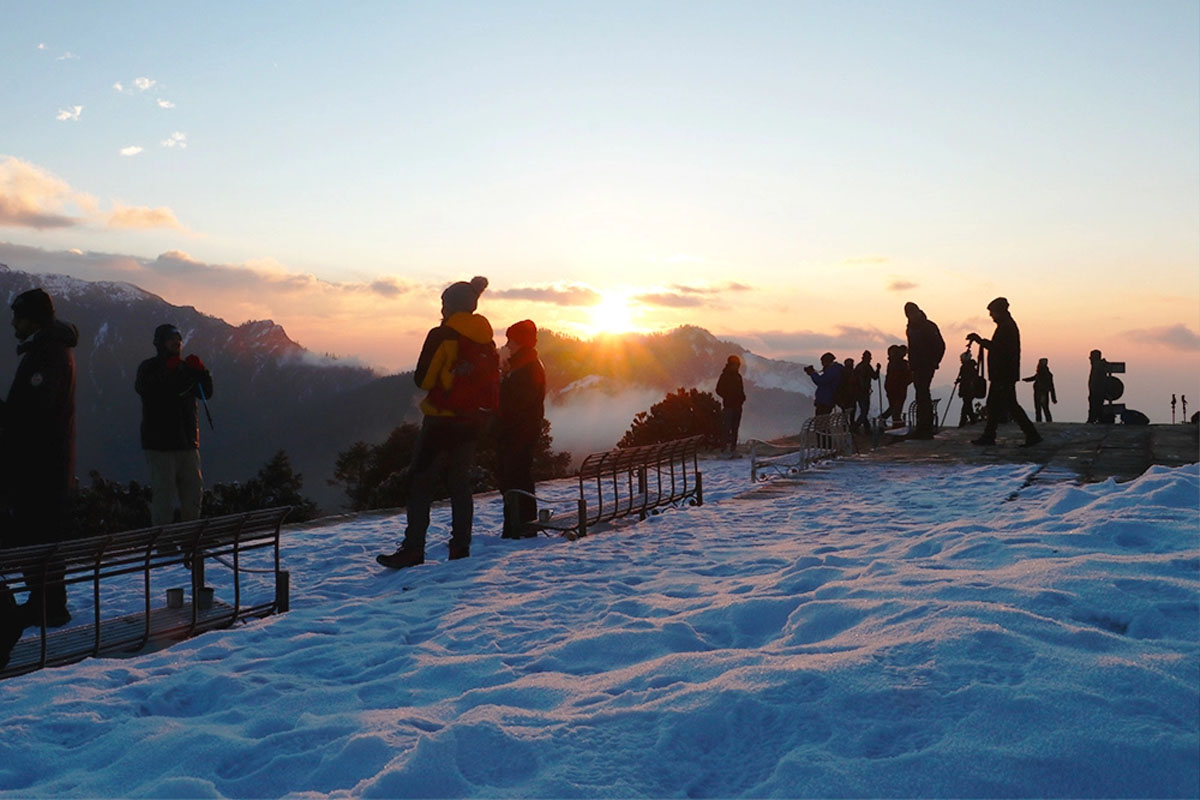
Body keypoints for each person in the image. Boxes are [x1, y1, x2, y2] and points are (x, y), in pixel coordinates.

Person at [378, 276, 497, 569]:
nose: (441, 309)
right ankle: (460, 548)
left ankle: (413, 549)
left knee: (420, 482)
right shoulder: (486, 338)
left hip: (441, 421)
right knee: (460, 482)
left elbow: (424, 379)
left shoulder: (441, 335)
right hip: (472, 420)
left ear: (450, 305)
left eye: (443, 303)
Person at [0, 288, 78, 630]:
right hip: (47, 464)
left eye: (18, 316)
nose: (13, 322)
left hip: (39, 467)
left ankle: (47, 606)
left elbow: (31, 415)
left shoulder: (47, 355)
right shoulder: (50, 350)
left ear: (33, 318)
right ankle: (46, 604)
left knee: (36, 536)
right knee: (39, 536)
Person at [135, 324, 214, 526]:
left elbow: (206, 392)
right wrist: (171, 372)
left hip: (187, 443)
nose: (176, 342)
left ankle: (189, 541)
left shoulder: (185, 368)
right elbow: (148, 389)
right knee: (164, 498)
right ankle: (164, 547)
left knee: (193, 495)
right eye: (171, 339)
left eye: (178, 338)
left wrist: (201, 372)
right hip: (161, 446)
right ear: (160, 343)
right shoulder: (149, 368)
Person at [967, 297, 1042, 447]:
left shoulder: (1007, 327)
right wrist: (981, 341)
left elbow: (1000, 350)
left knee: (1002, 405)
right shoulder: (1006, 326)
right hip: (1003, 374)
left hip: (1003, 375)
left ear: (999, 312)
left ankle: (1028, 435)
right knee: (1003, 405)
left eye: (992, 312)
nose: (991, 316)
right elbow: (998, 348)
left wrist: (981, 341)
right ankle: (993, 435)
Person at [497, 320, 546, 539]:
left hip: (518, 432)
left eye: (512, 341)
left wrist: (500, 383)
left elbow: (514, 403)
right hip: (521, 431)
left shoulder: (527, 369)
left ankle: (518, 525)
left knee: (514, 478)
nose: (508, 345)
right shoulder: (524, 365)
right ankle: (521, 524)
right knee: (517, 477)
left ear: (522, 344)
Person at [904, 302, 945, 439]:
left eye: (912, 313)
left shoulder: (928, 327)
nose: (910, 317)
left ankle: (925, 427)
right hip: (916, 366)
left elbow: (940, 345)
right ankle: (923, 427)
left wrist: (934, 362)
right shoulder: (910, 328)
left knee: (923, 395)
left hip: (926, 366)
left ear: (917, 312)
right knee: (921, 395)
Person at [715, 355, 745, 457]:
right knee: (727, 428)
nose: (737, 367)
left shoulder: (738, 376)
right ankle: (724, 449)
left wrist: (742, 398)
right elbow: (718, 390)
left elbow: (741, 390)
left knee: (735, 428)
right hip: (729, 406)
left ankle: (733, 449)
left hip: (737, 406)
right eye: (736, 365)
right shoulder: (724, 376)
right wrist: (728, 396)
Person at [882, 344, 911, 428]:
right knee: (897, 406)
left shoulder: (893, 363)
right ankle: (897, 423)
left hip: (893, 387)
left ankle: (889, 419)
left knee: (894, 406)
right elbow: (903, 377)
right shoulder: (901, 364)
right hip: (898, 388)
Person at [851, 350, 880, 432]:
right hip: (863, 392)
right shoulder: (866, 367)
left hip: (859, 392)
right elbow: (874, 377)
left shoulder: (859, 366)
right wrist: (878, 369)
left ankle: (867, 428)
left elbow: (874, 377)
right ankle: (856, 426)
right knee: (864, 411)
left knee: (864, 410)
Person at [1022, 357, 1057, 423]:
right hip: (1039, 392)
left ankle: (1044, 421)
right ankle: (1043, 421)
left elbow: (1051, 386)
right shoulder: (1041, 372)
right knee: (1040, 408)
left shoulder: (1046, 373)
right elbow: (1034, 378)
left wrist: (1053, 398)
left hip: (1042, 393)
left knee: (1042, 408)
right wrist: (1026, 380)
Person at [956, 351, 982, 427]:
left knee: (966, 405)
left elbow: (966, 378)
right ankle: (972, 419)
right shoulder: (970, 367)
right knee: (968, 405)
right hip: (969, 389)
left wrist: (960, 380)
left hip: (967, 389)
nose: (960, 360)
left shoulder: (966, 367)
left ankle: (963, 421)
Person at [1087, 350, 1107, 424]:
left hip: (1097, 391)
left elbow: (1099, 380)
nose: (1090, 360)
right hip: (1096, 390)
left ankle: (1093, 419)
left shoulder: (1097, 366)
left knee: (1096, 405)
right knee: (1096, 405)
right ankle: (1095, 419)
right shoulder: (1098, 366)